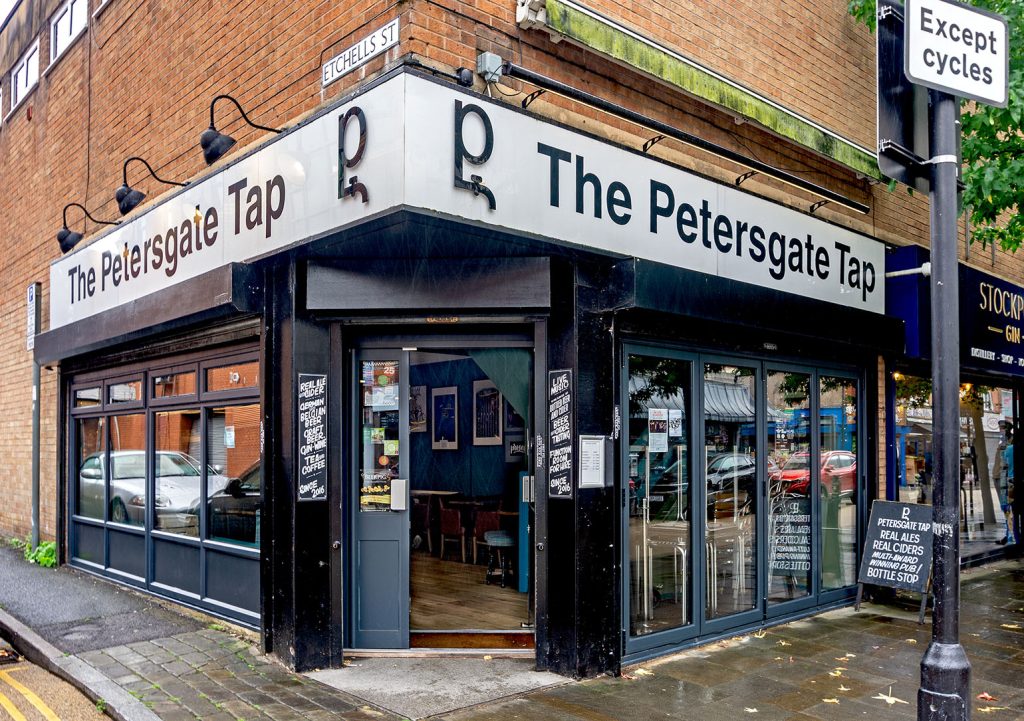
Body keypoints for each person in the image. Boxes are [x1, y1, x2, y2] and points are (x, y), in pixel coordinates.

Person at [997, 427, 1014, 545]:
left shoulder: (1007, 449)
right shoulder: (1006, 447)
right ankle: (1009, 536)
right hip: (1009, 482)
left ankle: (1009, 536)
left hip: (1008, 482)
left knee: (1008, 510)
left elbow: (1003, 467)